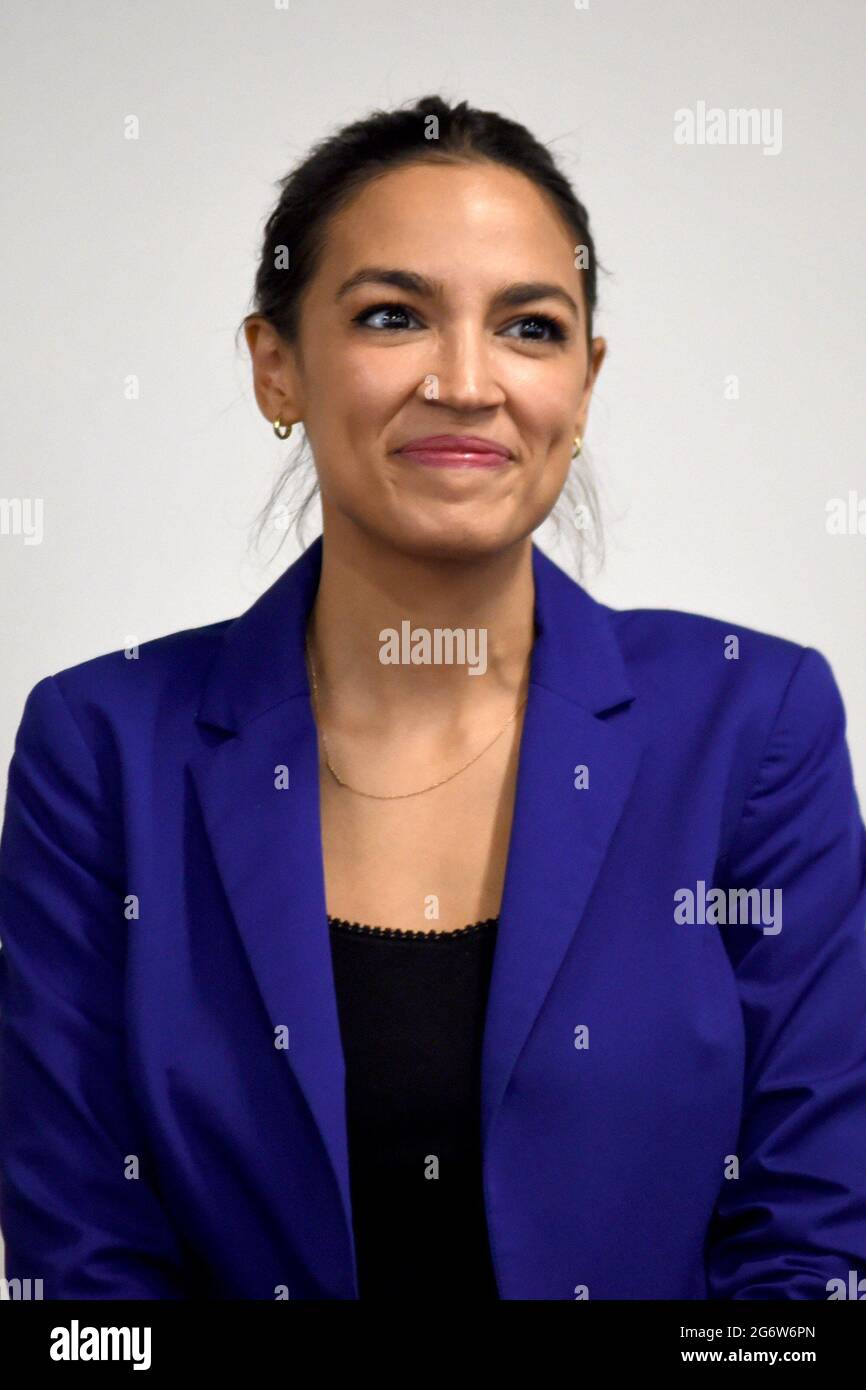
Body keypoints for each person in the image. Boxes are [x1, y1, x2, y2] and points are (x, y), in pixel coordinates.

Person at [1, 95, 865, 1301]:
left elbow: (807, 1256)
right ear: (276, 367)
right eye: (392, 316)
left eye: (528, 327)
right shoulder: (100, 748)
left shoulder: (752, 726)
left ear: (583, 380)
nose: (466, 383)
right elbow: (86, 1284)